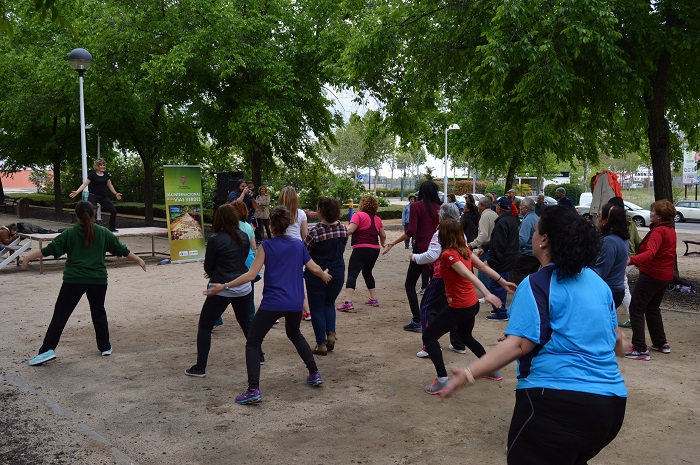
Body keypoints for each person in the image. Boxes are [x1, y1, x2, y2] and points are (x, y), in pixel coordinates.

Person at [439, 206, 629, 465]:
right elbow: (616, 339)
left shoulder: (536, 284)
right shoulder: (598, 283)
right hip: (611, 407)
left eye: (536, 229)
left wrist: (470, 373)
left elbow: (519, 345)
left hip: (556, 403)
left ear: (544, 239)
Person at [204, 206, 332, 405]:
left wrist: (225, 285)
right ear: (290, 223)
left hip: (273, 303)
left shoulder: (267, 246)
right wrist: (323, 274)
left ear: (271, 224)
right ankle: (314, 373)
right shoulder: (298, 246)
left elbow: (251, 275)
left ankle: (253, 389)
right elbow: (313, 267)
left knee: (253, 342)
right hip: (295, 302)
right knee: (295, 334)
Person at [21, 201, 146, 366]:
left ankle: (47, 350)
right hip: (98, 280)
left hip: (74, 280)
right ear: (93, 214)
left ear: (76, 216)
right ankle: (105, 346)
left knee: (61, 315)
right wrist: (138, 259)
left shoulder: (70, 233)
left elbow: (50, 249)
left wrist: (28, 256)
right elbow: (120, 248)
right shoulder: (103, 232)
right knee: (98, 312)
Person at [423, 219, 516, 393]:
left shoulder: (448, 254)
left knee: (429, 336)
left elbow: (468, 274)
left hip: (459, 306)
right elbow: (482, 267)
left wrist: (488, 292)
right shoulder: (465, 250)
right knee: (465, 336)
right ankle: (492, 368)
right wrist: (503, 282)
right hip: (471, 304)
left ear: (443, 235)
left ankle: (443, 379)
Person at [185, 203, 262, 377]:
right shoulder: (243, 235)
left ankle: (200, 367)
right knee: (245, 321)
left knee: (204, 325)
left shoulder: (215, 238)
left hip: (222, 287)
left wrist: (214, 273)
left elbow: (208, 265)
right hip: (242, 286)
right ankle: (259, 355)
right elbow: (242, 260)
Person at [383, 181, 442, 332]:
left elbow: (411, 230)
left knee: (410, 284)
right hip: (438, 250)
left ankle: (417, 320)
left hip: (421, 250)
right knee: (434, 286)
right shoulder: (440, 208)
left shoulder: (416, 206)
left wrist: (393, 242)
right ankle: (431, 318)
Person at [625, 199, 677, 361]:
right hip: (665, 276)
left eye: (653, 212)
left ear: (660, 217)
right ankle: (661, 343)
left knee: (636, 308)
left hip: (653, 275)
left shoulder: (658, 231)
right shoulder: (670, 230)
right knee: (653, 308)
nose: (651, 214)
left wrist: (631, 260)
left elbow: (650, 253)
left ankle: (640, 349)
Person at [304, 198, 348, 355]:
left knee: (316, 308)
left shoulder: (315, 231)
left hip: (318, 273)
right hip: (337, 272)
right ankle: (331, 335)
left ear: (321, 210)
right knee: (329, 304)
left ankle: (320, 344)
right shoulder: (343, 228)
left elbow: (305, 251)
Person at [336, 195, 386, 311]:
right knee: (367, 272)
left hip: (361, 248)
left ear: (362, 204)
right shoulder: (377, 219)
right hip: (374, 249)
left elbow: (350, 230)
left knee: (352, 274)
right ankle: (374, 299)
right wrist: (383, 244)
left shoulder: (358, 215)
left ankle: (347, 301)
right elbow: (383, 235)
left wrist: (338, 236)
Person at [484, 197, 519, 321]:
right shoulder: (512, 220)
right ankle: (499, 309)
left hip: (502, 259)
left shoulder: (502, 222)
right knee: (499, 284)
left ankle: (501, 312)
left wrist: (490, 261)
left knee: (497, 284)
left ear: (498, 207)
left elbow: (498, 243)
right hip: (509, 257)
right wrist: (486, 247)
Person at [278, 186, 311, 320]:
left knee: (279, 279)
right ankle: (306, 310)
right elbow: (305, 234)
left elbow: (274, 232)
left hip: (281, 246)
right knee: (297, 280)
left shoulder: (277, 212)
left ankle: (276, 313)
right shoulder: (301, 213)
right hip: (297, 247)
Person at [609, 196, 641, 328]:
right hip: (630, 259)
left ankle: (632, 316)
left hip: (626, 259)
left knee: (622, 286)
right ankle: (632, 316)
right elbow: (638, 240)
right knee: (621, 285)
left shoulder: (617, 223)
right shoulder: (630, 221)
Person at [592, 203, 630, 308]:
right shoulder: (622, 238)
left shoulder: (609, 241)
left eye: (599, 216)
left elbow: (601, 270)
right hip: (616, 290)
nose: (596, 219)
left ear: (605, 221)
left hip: (608, 291)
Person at [69, 158, 122, 232]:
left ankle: (112, 228)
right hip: (93, 195)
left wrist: (116, 193)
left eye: (104, 165)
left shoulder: (106, 175)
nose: (103, 166)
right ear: (97, 166)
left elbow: (110, 185)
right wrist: (77, 191)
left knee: (113, 211)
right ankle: (88, 228)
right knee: (90, 212)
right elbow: (85, 184)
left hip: (103, 197)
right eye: (101, 165)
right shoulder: (92, 174)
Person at [468, 196, 498, 292]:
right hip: (493, 247)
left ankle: (487, 294)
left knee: (483, 273)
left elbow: (483, 235)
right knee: (490, 272)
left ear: (483, 206)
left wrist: (471, 244)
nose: (477, 206)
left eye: (479, 204)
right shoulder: (494, 214)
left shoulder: (484, 216)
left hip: (486, 248)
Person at [510, 197, 540, 285]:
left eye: (520, 206)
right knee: (531, 276)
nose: (519, 207)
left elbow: (522, 239)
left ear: (526, 207)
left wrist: (511, 246)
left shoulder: (528, 220)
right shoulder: (536, 217)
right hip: (535, 254)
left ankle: (522, 292)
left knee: (517, 272)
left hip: (528, 253)